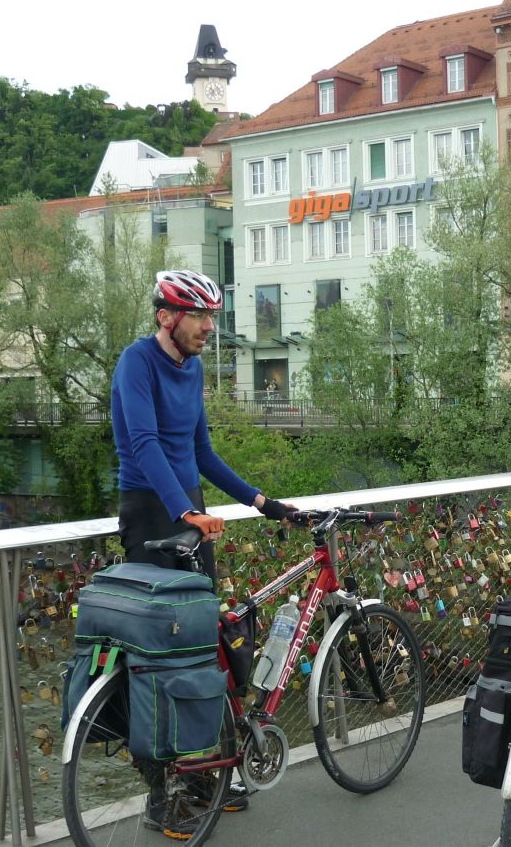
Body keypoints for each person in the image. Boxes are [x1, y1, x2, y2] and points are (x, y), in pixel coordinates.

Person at [110, 270, 292, 836]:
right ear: (167, 316)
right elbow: (142, 444)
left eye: (213, 316)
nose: (209, 326)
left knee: (201, 647)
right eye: (199, 316)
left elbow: (202, 453)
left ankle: (202, 776)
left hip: (188, 509)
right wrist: (183, 512)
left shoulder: (192, 370)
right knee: (156, 658)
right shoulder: (136, 364)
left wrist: (262, 501)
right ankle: (159, 794)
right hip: (149, 510)